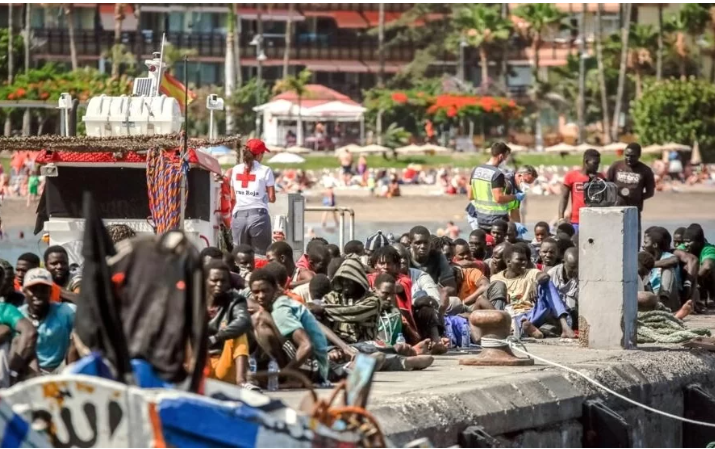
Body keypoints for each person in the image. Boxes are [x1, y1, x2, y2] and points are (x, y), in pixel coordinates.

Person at [250, 269, 330, 384]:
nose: (261, 296)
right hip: (311, 363)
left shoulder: (280, 309)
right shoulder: (273, 306)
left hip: (316, 368)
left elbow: (306, 346)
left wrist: (283, 374)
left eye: (265, 291)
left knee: (260, 321)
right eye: (256, 292)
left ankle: (289, 377)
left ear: (274, 289)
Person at [488, 245, 574, 339]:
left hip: (533, 313)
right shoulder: (496, 279)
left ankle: (565, 326)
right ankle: (529, 329)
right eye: (520, 260)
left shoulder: (531, 272)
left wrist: (536, 282)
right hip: (512, 316)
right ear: (508, 262)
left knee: (547, 283)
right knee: (513, 319)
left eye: (525, 260)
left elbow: (545, 276)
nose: (524, 263)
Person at [203, 261, 255, 389]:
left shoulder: (235, 300)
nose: (219, 285)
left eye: (223, 281)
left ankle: (242, 381)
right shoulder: (193, 300)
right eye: (214, 280)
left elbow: (244, 320)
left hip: (224, 365)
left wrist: (216, 337)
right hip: (199, 367)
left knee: (238, 332)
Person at [19, 268, 74, 374]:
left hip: (61, 369)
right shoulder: (17, 315)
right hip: (28, 370)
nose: (38, 294)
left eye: (43, 289)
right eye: (33, 289)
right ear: (24, 292)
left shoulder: (66, 311)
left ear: (50, 292)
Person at [228, 139, 276, 255]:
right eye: (263, 153)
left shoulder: (235, 170)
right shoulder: (266, 170)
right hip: (258, 216)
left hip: (238, 217)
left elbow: (233, 196)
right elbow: (272, 198)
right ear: (259, 155)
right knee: (261, 257)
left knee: (240, 257)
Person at [467, 142, 523, 231]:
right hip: (497, 221)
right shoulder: (497, 174)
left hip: (480, 219)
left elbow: (470, 196)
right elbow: (498, 198)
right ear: (500, 156)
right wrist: (516, 197)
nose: (505, 159)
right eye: (505, 157)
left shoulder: (476, 170)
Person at [606, 142, 656, 235]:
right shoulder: (616, 166)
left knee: (633, 236)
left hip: (634, 210)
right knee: (614, 234)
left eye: (632, 156)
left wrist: (637, 197)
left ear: (639, 155)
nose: (629, 158)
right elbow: (607, 185)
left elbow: (650, 192)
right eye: (627, 155)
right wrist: (614, 198)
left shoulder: (645, 170)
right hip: (615, 209)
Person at [559, 149, 603, 233]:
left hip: (595, 220)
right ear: (586, 161)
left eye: (598, 163)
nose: (597, 166)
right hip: (576, 221)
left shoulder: (601, 178)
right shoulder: (571, 176)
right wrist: (561, 218)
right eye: (595, 163)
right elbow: (564, 198)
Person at [409, 226, 458, 298]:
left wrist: (433, 293)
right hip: (410, 296)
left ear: (430, 243)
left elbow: (451, 288)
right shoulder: (405, 257)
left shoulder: (438, 257)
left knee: (456, 301)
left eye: (426, 243)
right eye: (418, 243)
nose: (422, 246)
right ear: (410, 243)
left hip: (433, 297)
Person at [642, 227, 681, 311]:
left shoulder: (667, 256)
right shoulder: (644, 258)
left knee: (668, 269)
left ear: (655, 245)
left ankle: (663, 299)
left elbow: (674, 261)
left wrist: (649, 265)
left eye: (646, 243)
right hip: (652, 295)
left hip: (668, 297)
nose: (643, 246)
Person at [680, 224, 715, 302]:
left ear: (699, 242)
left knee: (710, 269)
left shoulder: (709, 249)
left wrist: (693, 281)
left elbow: (707, 267)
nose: (685, 245)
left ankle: (712, 298)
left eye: (689, 242)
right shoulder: (682, 247)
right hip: (692, 282)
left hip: (705, 281)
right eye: (684, 242)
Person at [548, 247, 579, 327]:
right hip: (556, 313)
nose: (575, 271)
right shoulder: (552, 274)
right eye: (572, 268)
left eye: (577, 267)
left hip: (574, 314)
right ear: (563, 262)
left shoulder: (582, 277)